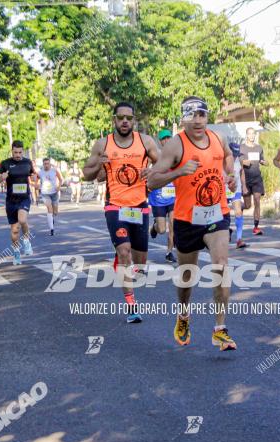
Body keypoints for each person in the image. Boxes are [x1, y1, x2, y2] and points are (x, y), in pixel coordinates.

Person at [147, 96, 238, 351]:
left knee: (221, 265)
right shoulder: (175, 146)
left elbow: (228, 156)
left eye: (201, 114)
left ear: (207, 117)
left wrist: (230, 175)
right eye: (191, 115)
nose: (197, 120)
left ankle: (220, 329)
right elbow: (151, 182)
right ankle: (184, 314)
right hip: (187, 219)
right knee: (187, 278)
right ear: (183, 119)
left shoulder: (218, 138)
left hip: (216, 213)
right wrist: (178, 172)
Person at [83, 102, 160, 323]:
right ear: (114, 120)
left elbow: (164, 163)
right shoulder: (102, 144)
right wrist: (98, 163)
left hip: (139, 206)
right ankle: (131, 305)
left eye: (129, 118)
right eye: (120, 117)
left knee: (140, 263)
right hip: (115, 205)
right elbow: (87, 174)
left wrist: (152, 171)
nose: (125, 121)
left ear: (134, 120)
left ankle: (122, 258)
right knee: (125, 251)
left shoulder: (145, 141)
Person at [0, 141, 38, 265]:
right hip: (11, 200)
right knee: (14, 230)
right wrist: (2, 177)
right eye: (15, 152)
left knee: (23, 220)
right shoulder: (5, 164)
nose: (18, 155)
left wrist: (35, 178)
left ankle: (26, 241)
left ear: (22, 151)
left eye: (20, 152)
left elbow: (33, 174)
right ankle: (16, 251)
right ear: (12, 151)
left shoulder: (27, 162)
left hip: (24, 197)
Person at [148, 129, 178, 263]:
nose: (166, 140)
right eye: (163, 138)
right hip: (158, 199)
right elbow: (146, 170)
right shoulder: (155, 156)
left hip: (172, 197)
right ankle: (154, 227)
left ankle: (169, 252)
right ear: (160, 141)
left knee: (173, 224)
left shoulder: (176, 156)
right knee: (161, 229)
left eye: (168, 138)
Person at [239, 127, 267, 235]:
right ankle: (239, 208)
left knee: (257, 200)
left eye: (253, 134)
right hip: (246, 179)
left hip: (257, 179)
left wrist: (264, 162)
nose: (251, 136)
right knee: (247, 205)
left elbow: (261, 159)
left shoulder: (259, 148)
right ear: (246, 135)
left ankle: (256, 227)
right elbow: (238, 161)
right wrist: (244, 162)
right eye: (249, 134)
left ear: (255, 135)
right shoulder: (241, 148)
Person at [227, 143, 248, 249]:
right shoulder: (222, 159)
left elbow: (242, 172)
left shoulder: (239, 160)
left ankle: (239, 239)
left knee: (238, 212)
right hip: (224, 190)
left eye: (236, 154)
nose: (235, 156)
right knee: (223, 215)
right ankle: (227, 230)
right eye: (233, 154)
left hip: (236, 189)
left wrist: (244, 186)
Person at [39, 158, 63, 236]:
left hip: (54, 193)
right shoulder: (40, 172)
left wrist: (59, 187)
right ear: (43, 164)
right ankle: (51, 229)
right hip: (45, 193)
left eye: (47, 163)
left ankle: (52, 217)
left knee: (55, 212)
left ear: (50, 164)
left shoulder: (54, 171)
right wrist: (36, 184)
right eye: (45, 164)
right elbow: (35, 179)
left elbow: (60, 179)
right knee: (49, 208)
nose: (46, 165)